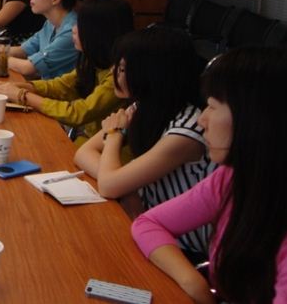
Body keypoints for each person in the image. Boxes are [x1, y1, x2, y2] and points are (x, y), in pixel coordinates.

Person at [131, 47, 287, 304]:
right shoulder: (233, 178)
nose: (202, 120)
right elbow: (147, 223)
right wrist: (194, 284)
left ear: (254, 118)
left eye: (212, 106)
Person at [74, 27, 215, 258]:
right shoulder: (143, 106)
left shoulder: (186, 131)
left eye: (122, 69)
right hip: (148, 228)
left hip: (181, 248)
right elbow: (83, 152)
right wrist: (123, 184)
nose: (114, 73)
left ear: (150, 75)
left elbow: (108, 185)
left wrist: (115, 136)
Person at [0, 0, 133, 141]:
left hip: (102, 145)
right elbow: (62, 85)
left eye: (81, 25)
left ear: (100, 33)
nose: (74, 29)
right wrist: (22, 87)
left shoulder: (119, 75)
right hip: (89, 140)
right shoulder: (92, 61)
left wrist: (22, 95)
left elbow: (78, 113)